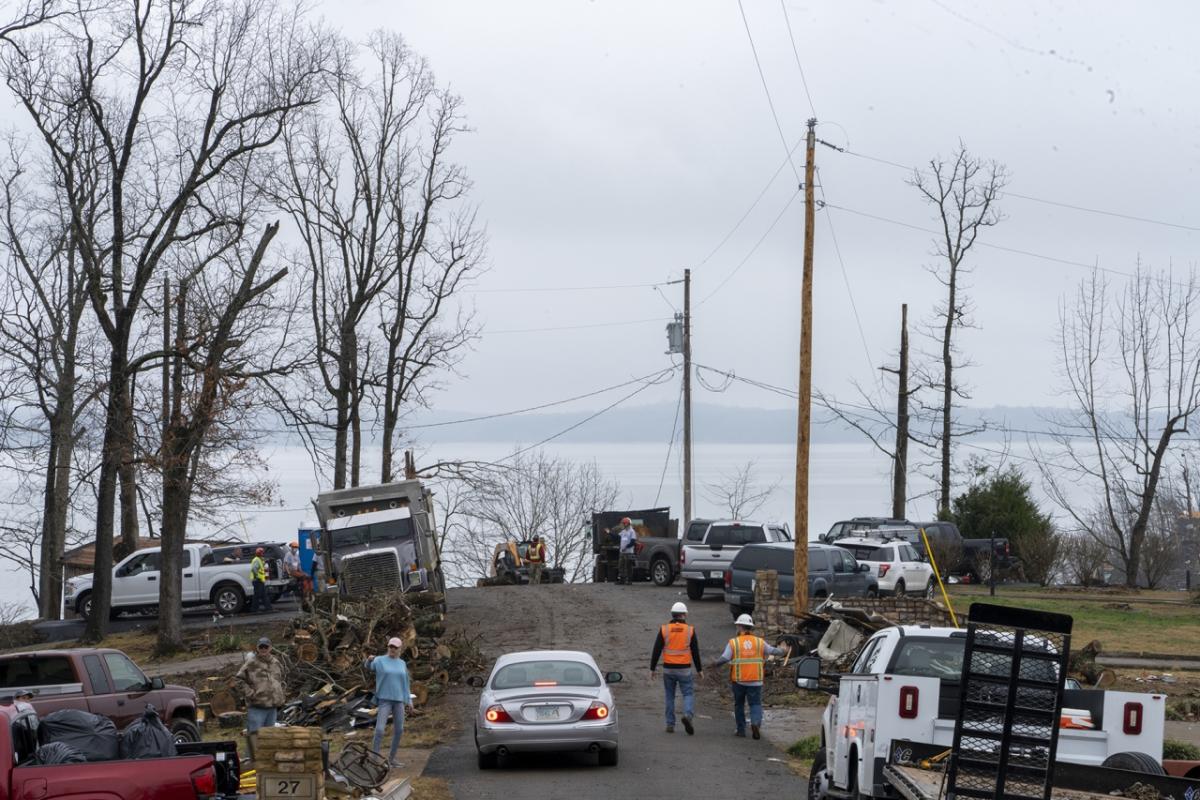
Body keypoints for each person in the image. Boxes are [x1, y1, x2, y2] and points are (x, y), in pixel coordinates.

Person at [711, 614, 786, 740]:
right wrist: (784, 650)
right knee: (755, 704)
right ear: (751, 628)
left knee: (739, 704)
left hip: (739, 680)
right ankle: (755, 723)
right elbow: (773, 651)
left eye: (737, 626)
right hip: (756, 680)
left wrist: (714, 664)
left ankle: (741, 730)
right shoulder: (759, 642)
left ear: (740, 627)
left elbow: (725, 658)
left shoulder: (733, 642)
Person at [649, 601, 702, 734]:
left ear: (672, 614)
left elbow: (656, 649)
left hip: (668, 669)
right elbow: (695, 651)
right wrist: (700, 669)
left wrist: (652, 668)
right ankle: (688, 716)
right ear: (684, 615)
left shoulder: (664, 629)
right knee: (688, 694)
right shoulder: (690, 630)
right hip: (684, 669)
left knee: (669, 696)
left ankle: (670, 724)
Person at [233, 637, 287, 760]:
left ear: (270, 648)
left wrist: (280, 692)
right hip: (257, 706)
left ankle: (266, 762)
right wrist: (251, 693)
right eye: (261, 647)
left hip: (272, 706)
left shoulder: (275, 662)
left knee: (269, 737)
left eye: (266, 647)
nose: (263, 649)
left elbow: (280, 679)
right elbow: (238, 680)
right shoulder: (251, 662)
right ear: (257, 648)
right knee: (254, 737)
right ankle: (250, 762)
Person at [365, 637, 414, 768]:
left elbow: (406, 683)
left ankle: (391, 759)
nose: (392, 649)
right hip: (384, 699)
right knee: (380, 730)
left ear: (400, 649)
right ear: (388, 647)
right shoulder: (380, 660)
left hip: (399, 700)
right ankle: (374, 759)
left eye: (395, 647)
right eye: (390, 646)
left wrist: (409, 700)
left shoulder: (402, 663)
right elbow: (369, 667)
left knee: (399, 730)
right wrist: (368, 660)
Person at [250, 547, 272, 612]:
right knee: (257, 595)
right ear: (259, 553)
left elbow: (260, 568)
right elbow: (254, 569)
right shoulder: (256, 560)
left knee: (263, 595)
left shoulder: (259, 559)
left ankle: (268, 608)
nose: (263, 554)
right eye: (262, 553)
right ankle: (254, 609)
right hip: (257, 580)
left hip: (259, 580)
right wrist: (257, 576)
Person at [616, 517, 637, 585]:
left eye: (623, 523)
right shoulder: (623, 531)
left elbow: (633, 542)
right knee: (621, 566)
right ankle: (622, 580)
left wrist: (626, 547)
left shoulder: (632, 531)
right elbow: (617, 537)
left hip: (629, 553)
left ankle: (629, 580)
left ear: (627, 524)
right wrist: (609, 533)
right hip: (622, 552)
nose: (622, 525)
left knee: (628, 567)